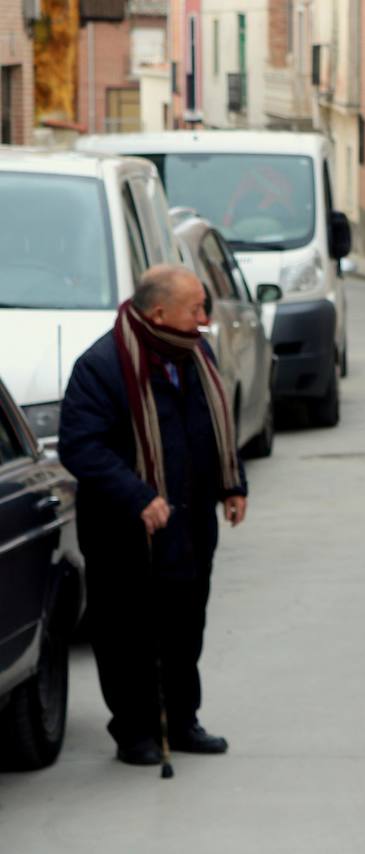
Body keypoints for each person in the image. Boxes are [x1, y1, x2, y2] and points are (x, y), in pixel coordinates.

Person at [59, 265, 247, 766]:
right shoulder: (103, 366)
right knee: (127, 631)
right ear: (159, 313)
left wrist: (232, 484)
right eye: (196, 310)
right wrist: (137, 495)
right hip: (124, 529)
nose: (205, 319)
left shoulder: (194, 354)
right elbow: (82, 446)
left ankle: (182, 720)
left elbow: (213, 426)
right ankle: (135, 731)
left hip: (188, 523)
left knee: (186, 623)